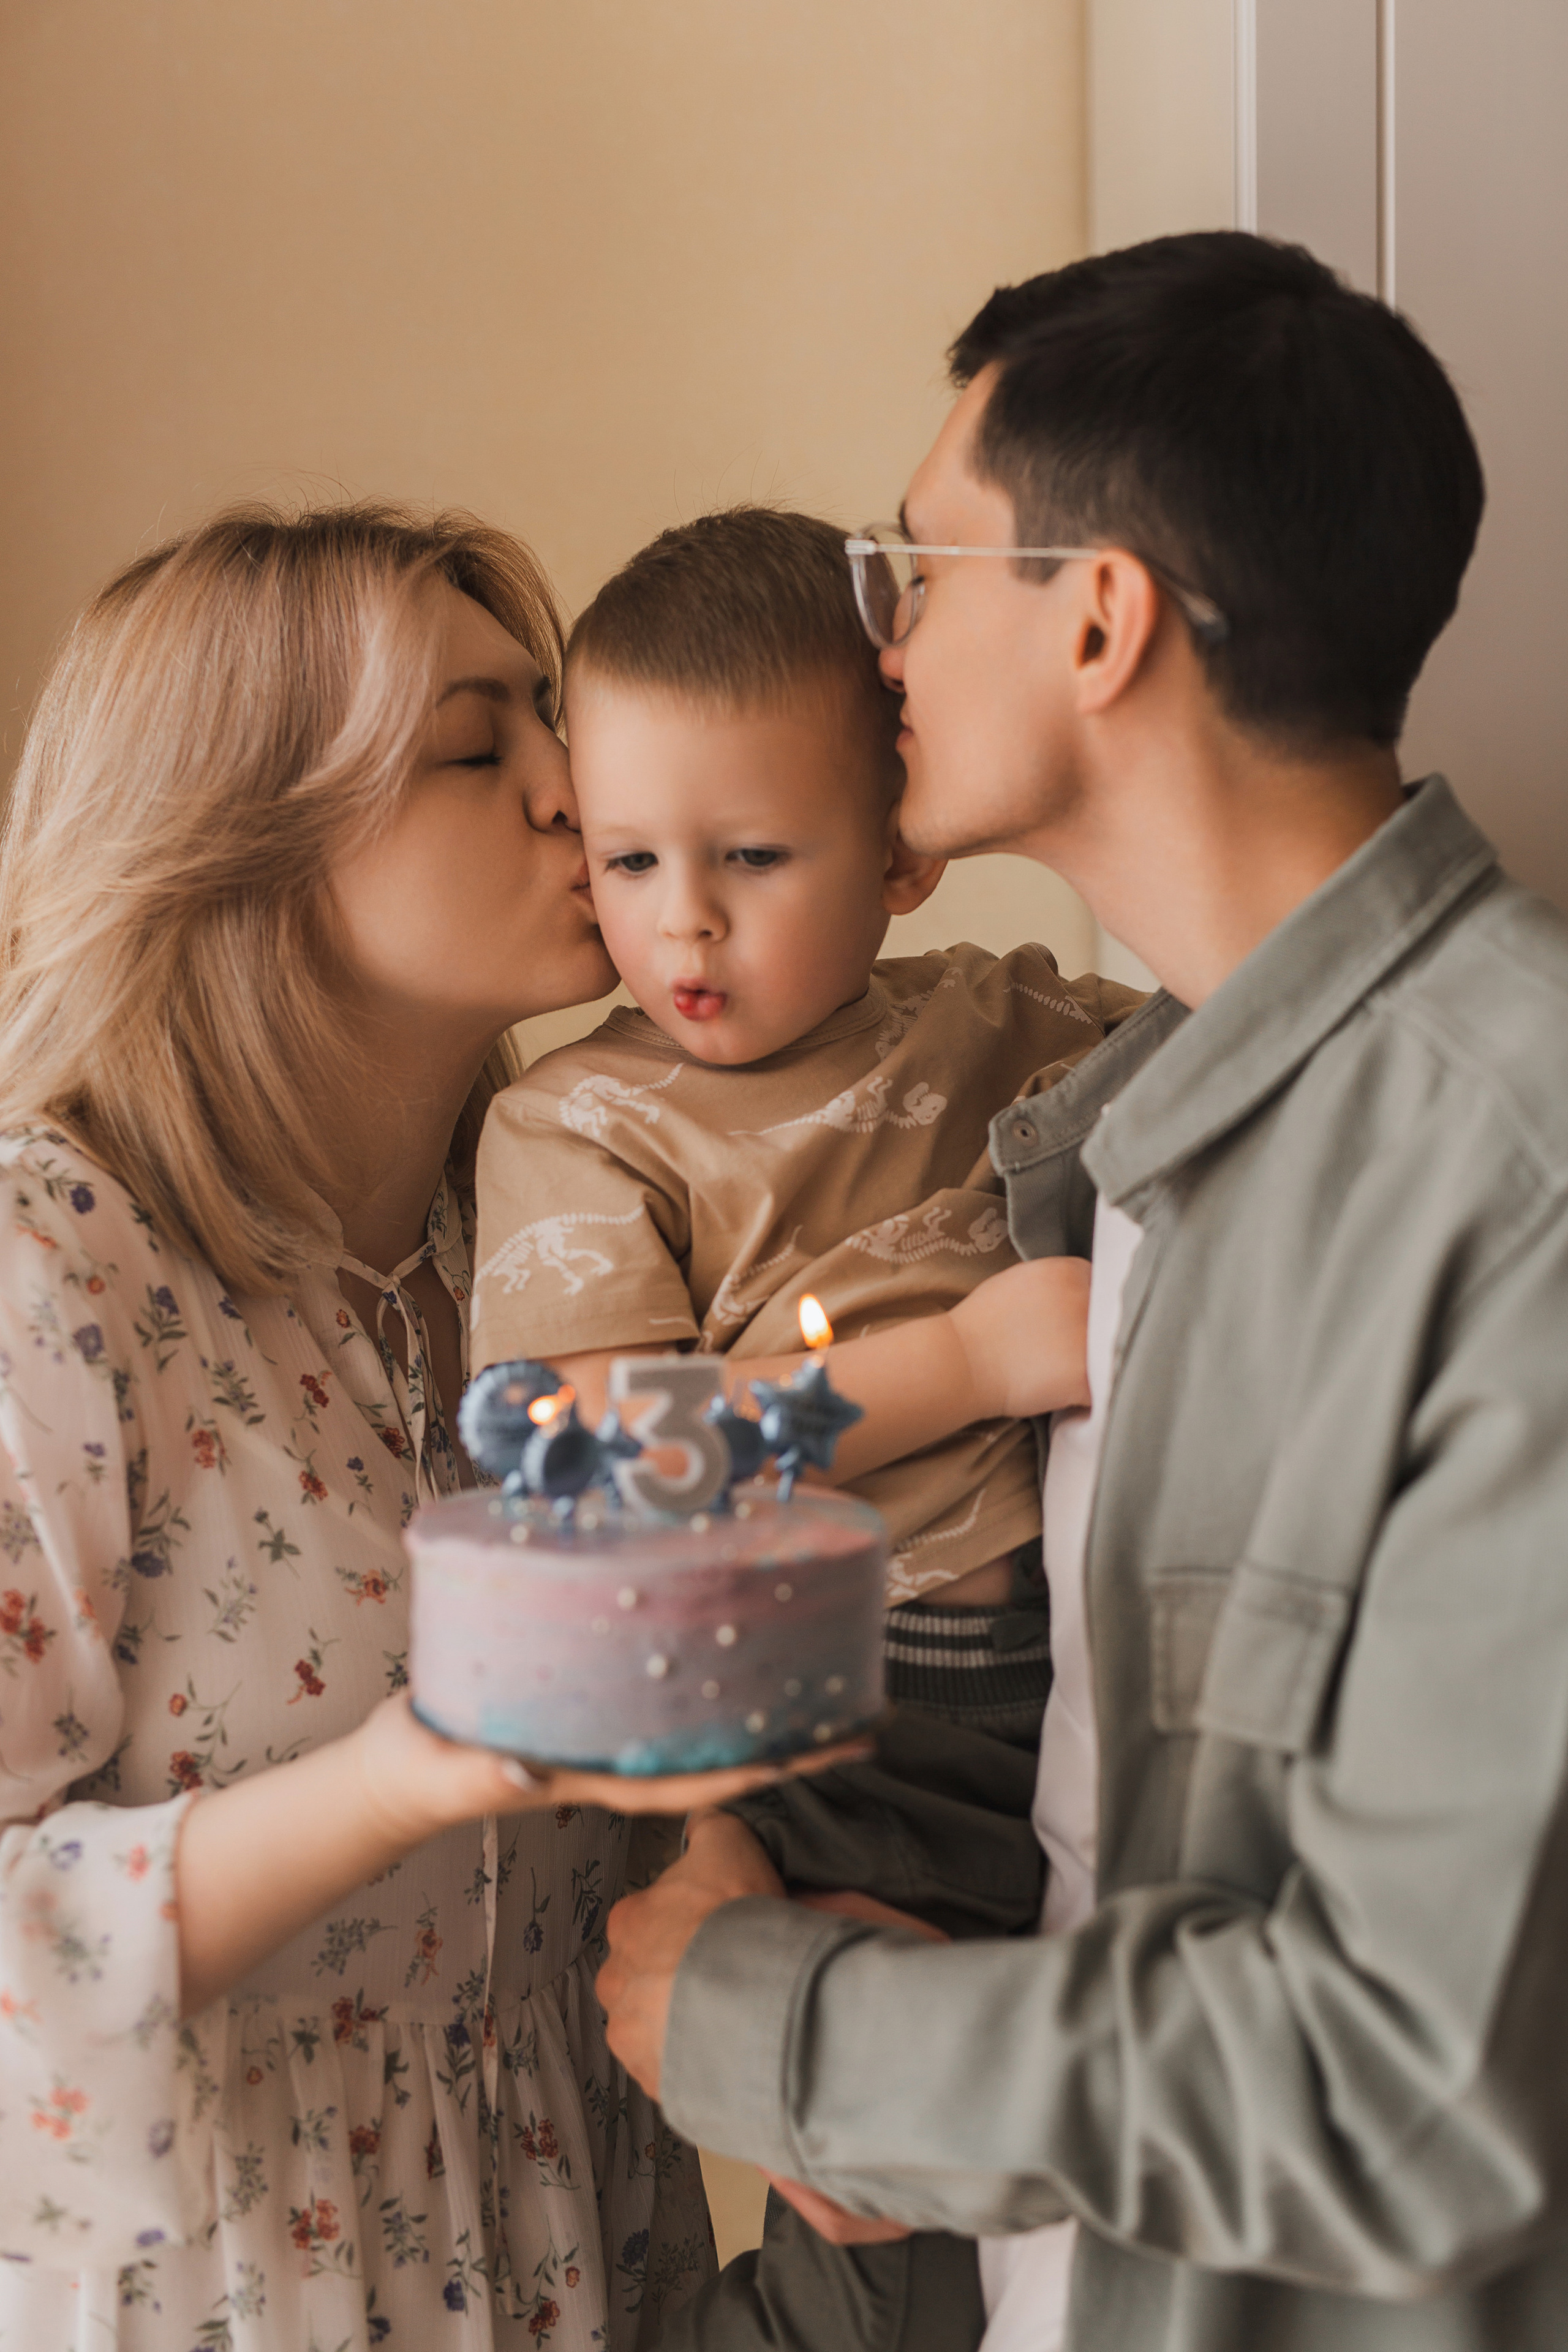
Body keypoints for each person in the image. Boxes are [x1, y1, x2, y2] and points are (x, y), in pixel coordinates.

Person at [598, 230, 1568, 2352]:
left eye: (919, 577)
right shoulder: (1123, 1148)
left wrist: (802, 2035)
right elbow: (1168, 1868)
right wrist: (935, 2001)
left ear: (1102, 618)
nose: (881, 656)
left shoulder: (1521, 1183)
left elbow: (1404, 2091)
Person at [0, 502, 851, 2352]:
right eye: (482, 747)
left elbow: (654, 1734)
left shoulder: (556, 1249)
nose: (579, 783)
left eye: (555, 717)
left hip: (581, 2249)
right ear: (246, 836)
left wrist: (781, 1997)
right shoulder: (45, 1268)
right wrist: (411, 1769)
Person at [471, 503, 1137, 2348]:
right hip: (844, 1721)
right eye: (627, 858)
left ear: (906, 854)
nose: (679, 920)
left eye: (757, 855)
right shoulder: (587, 1123)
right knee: (886, 2237)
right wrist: (966, 1368)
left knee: (1082, 2187)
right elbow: (590, 1466)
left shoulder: (1007, 1020)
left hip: (1088, 1693)